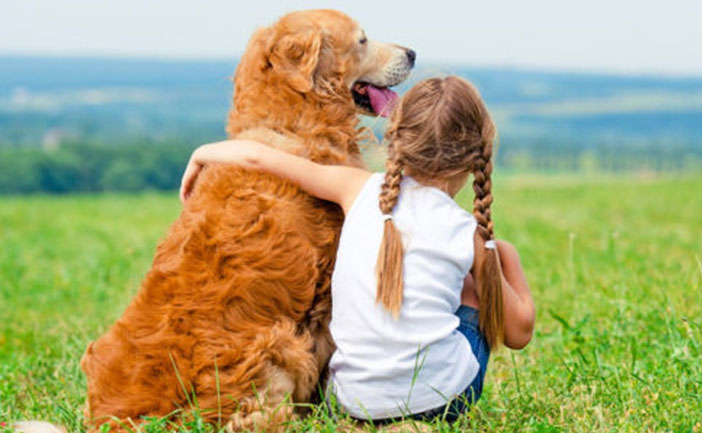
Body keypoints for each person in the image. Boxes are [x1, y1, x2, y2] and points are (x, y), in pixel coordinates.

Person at [179, 76, 535, 424]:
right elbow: (519, 333)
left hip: (350, 402)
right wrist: (504, 255)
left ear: (396, 138)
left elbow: (259, 157)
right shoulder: (466, 233)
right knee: (471, 286)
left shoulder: (355, 188)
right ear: (475, 157)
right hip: (441, 403)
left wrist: (201, 154)